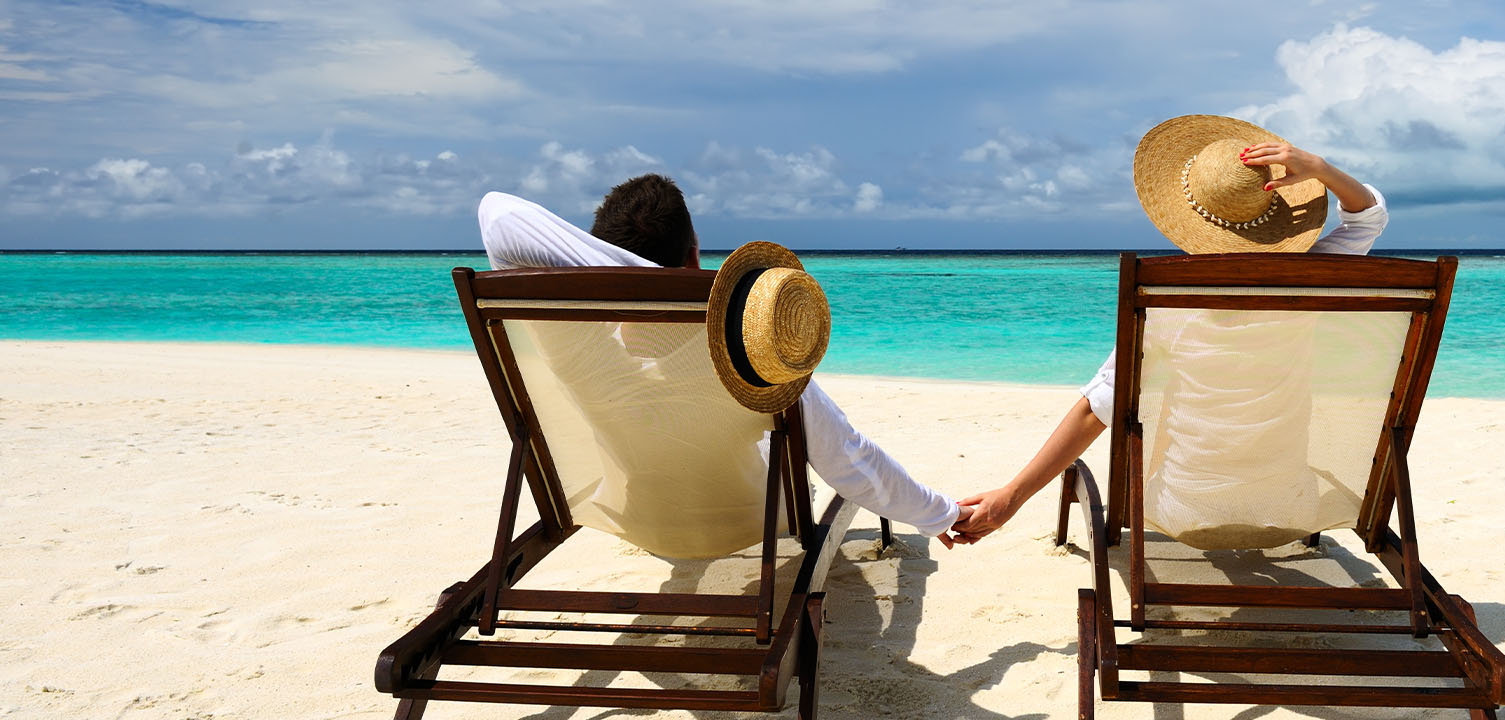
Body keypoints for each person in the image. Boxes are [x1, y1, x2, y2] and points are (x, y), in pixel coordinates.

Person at [949, 117, 1388, 544]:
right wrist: (1322, 169)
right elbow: (1367, 218)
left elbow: (1095, 410)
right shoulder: (1312, 286)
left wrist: (1011, 496)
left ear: (1188, 217)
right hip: (1288, 506)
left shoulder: (1165, 306)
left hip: (1184, 510)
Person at [477, 174, 971, 548]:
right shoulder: (746, 352)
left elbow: (497, 213)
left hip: (639, 517)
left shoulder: (582, 352)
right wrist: (940, 514)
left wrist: (625, 286)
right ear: (694, 254)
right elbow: (847, 459)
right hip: (751, 523)